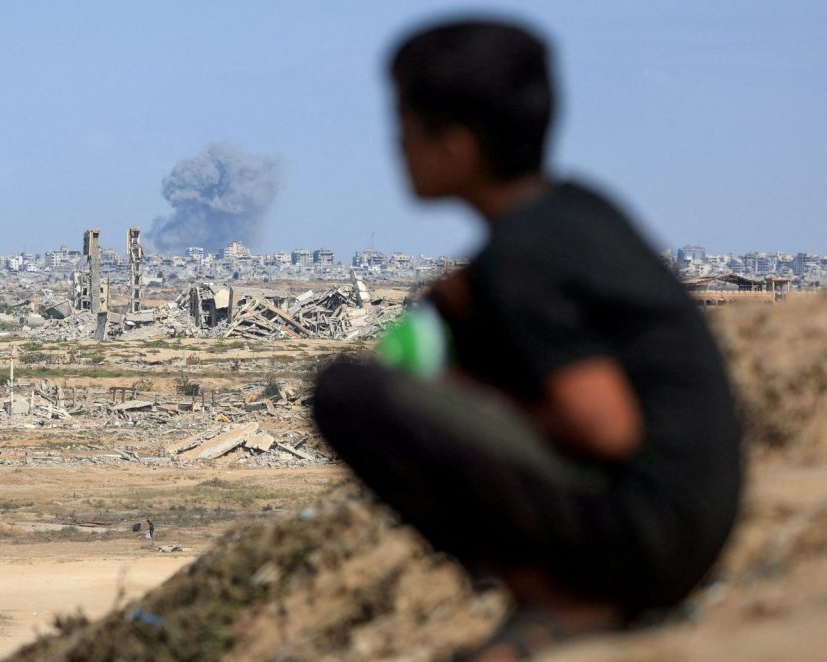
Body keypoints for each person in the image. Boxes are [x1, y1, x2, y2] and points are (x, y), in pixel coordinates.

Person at [312, 18, 741, 660]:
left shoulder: (523, 254)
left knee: (347, 394)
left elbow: (604, 428)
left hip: (647, 537)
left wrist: (469, 394)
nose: (395, 147)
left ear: (456, 147)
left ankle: (559, 602)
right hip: (689, 530)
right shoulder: (574, 210)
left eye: (404, 128)